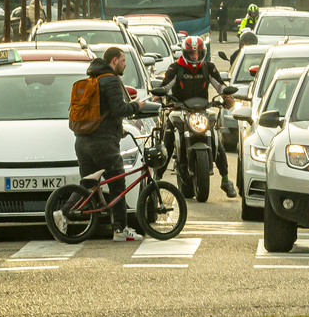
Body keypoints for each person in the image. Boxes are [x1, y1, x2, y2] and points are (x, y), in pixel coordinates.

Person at [75, 46, 145, 242]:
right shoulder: (111, 80)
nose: (124, 64)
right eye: (123, 61)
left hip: (83, 140)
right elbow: (119, 109)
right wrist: (136, 106)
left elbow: (102, 112)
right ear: (114, 61)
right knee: (118, 184)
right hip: (103, 144)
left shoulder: (93, 78)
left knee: (88, 184)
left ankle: (62, 213)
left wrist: (117, 130)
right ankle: (121, 229)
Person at [155, 35, 238, 197]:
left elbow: (220, 85)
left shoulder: (208, 67)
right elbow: (165, 86)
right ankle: (156, 181)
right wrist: (157, 97)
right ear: (184, 53)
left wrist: (228, 98)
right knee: (168, 141)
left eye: (198, 54)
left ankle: (226, 180)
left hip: (202, 110)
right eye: (191, 54)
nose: (194, 57)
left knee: (216, 140)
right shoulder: (175, 68)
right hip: (179, 110)